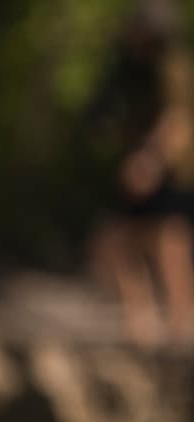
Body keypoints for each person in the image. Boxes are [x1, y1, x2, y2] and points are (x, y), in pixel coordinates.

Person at [89, 0, 194, 346]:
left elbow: (178, 122)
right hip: (142, 162)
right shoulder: (126, 67)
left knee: (166, 239)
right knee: (121, 237)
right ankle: (141, 317)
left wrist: (150, 160)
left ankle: (180, 321)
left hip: (169, 168)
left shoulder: (172, 67)